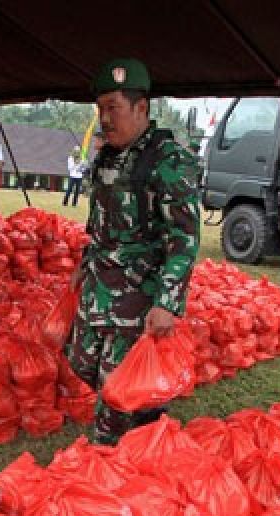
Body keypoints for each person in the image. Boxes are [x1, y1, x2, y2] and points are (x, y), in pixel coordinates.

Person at [66, 57, 201, 445]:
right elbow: (101, 226)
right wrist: (83, 264)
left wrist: (166, 303)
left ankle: (115, 462)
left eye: (114, 108)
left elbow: (184, 240)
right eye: (100, 108)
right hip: (101, 288)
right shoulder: (109, 156)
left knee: (119, 390)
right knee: (83, 362)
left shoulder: (169, 161)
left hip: (138, 298)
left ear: (141, 107)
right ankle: (142, 430)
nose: (105, 118)